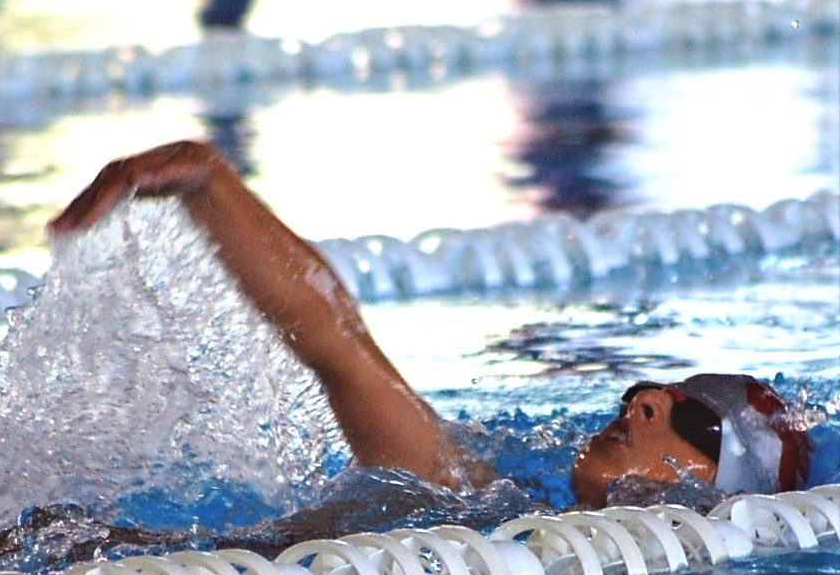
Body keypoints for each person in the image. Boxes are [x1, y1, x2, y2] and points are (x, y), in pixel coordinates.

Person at [49, 140, 812, 509]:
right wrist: (209, 181)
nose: (641, 401)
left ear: (719, 493)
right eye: (655, 390)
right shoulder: (483, 495)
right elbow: (340, 349)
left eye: (694, 421)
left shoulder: (491, 513)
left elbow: (338, 348)